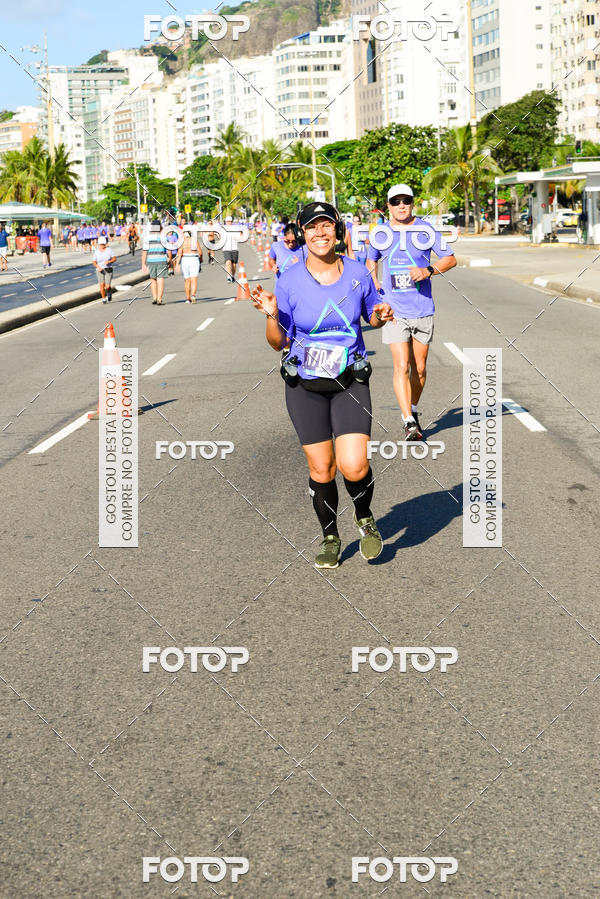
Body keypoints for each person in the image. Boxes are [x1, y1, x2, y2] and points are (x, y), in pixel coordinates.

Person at [251, 201, 394, 569]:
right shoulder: (289, 279)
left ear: (338, 231)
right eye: (312, 227)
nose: (320, 233)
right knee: (322, 470)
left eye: (327, 226)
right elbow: (279, 341)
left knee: (355, 466)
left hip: (350, 381)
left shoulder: (359, 273)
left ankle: (364, 517)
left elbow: (374, 315)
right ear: (302, 233)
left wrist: (380, 315)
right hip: (305, 386)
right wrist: (271, 316)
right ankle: (330, 535)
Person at [367, 183, 456, 440]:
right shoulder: (380, 233)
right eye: (396, 202)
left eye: (406, 200)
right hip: (394, 309)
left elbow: (450, 258)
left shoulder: (425, 230)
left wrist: (427, 271)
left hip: (422, 308)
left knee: (419, 367)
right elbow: (370, 259)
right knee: (401, 365)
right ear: (389, 206)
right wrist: (374, 283)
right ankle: (408, 421)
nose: (401, 205)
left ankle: (413, 409)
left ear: (413, 203)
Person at [142, 218, 168, 305]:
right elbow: (169, 250)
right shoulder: (163, 237)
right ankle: (159, 299)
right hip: (162, 260)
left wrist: (143, 264)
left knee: (153, 280)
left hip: (151, 260)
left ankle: (154, 297)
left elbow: (144, 252)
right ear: (160, 227)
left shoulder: (147, 238)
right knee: (160, 279)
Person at [176, 219, 203, 303]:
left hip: (185, 259)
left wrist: (177, 264)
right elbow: (200, 252)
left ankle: (188, 299)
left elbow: (179, 253)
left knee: (187, 280)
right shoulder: (194, 240)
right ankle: (193, 295)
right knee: (194, 279)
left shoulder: (182, 241)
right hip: (194, 258)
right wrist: (201, 259)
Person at [93, 236, 117, 303]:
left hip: (108, 269)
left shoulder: (109, 250)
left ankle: (109, 293)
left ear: (105, 244)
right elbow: (94, 262)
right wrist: (98, 267)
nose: (102, 246)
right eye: (101, 244)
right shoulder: (96, 252)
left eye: (103, 244)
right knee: (101, 285)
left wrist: (109, 262)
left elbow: (115, 258)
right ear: (99, 244)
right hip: (100, 270)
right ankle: (103, 298)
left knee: (107, 286)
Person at [222, 215, 240, 282]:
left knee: (234, 265)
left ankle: (232, 275)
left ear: (232, 222)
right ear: (225, 222)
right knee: (228, 262)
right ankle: (228, 276)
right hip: (226, 248)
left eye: (230, 221)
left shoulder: (235, 229)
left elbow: (239, 237)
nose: (228, 223)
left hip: (234, 248)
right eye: (227, 221)